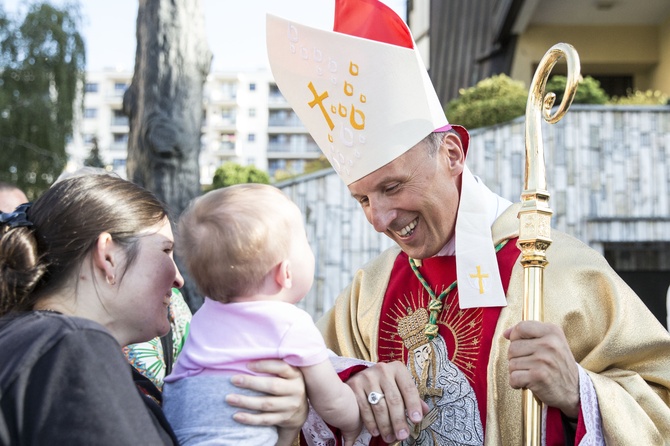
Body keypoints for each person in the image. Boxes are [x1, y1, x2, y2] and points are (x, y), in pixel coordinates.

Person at [266, 1, 670, 445]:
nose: (378, 219)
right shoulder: (371, 291)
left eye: (393, 187)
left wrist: (580, 392)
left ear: (453, 154)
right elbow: (299, 400)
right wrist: (349, 384)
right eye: (362, 198)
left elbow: (660, 406)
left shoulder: (559, 271)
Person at [0, 174, 308, 444]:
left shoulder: (34, 341)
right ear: (108, 256)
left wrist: (275, 433)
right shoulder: (73, 350)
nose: (178, 278)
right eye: (165, 250)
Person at [163, 183, 363, 446]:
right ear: (286, 273)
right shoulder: (291, 324)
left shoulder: (205, 314)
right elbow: (332, 401)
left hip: (178, 428)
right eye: (305, 241)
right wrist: (354, 424)